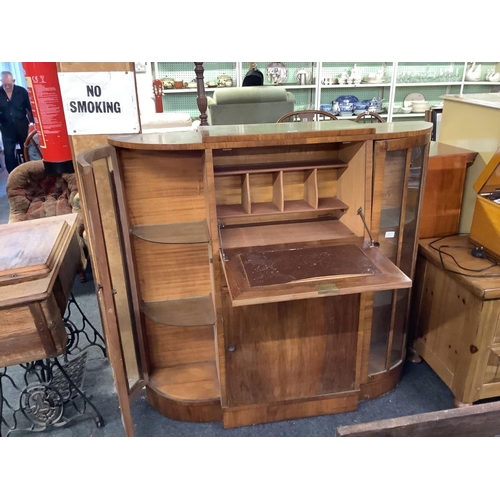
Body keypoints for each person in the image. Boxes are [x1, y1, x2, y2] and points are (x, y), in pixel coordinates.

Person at [0, 71, 34, 173]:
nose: (7, 87)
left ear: (13, 81)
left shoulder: (22, 92)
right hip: (6, 129)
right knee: (9, 153)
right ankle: (13, 176)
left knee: (26, 151)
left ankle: (29, 173)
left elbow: (31, 108)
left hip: (22, 126)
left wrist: (32, 123)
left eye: (9, 84)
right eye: (4, 84)